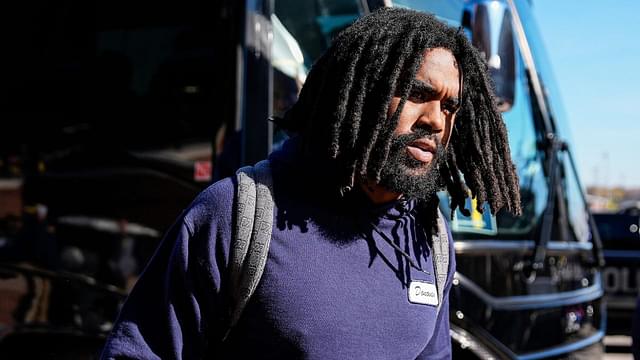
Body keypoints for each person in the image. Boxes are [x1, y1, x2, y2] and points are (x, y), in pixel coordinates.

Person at [101, 7, 521, 359]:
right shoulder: (238, 213)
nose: (435, 120)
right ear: (363, 91)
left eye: (450, 106)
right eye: (415, 92)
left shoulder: (430, 238)